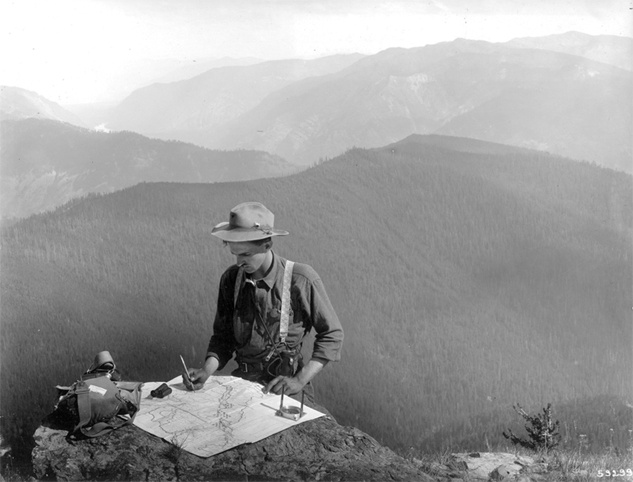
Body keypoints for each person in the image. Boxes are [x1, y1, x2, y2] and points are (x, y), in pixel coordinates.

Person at [185, 202, 343, 403]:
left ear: (268, 245)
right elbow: (223, 337)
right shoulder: (231, 279)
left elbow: (333, 334)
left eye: (246, 254)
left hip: (286, 389)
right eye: (235, 254)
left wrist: (299, 381)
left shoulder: (300, 279)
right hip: (243, 386)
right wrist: (206, 371)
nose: (238, 262)